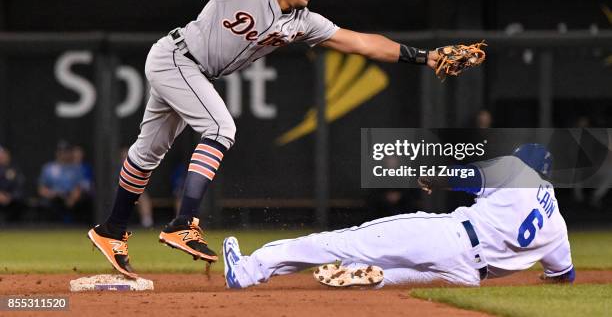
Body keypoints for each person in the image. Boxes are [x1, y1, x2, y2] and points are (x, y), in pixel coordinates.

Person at [88, 0, 444, 280]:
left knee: (148, 152)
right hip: (177, 56)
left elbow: (362, 43)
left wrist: (423, 56)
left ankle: (112, 229)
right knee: (221, 129)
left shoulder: (305, 22)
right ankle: (184, 223)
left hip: (192, 69)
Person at [223, 144, 575, 289]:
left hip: (450, 238)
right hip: (468, 277)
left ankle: (248, 269)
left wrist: (435, 177)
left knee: (342, 240)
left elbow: (470, 178)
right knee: (386, 275)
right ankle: (366, 276)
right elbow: (563, 276)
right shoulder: (557, 224)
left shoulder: (519, 170)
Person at [38, 141, 93, 223]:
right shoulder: (49, 168)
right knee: (53, 204)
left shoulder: (76, 169)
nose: (63, 154)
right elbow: (41, 189)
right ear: (57, 153)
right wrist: (51, 194)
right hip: (54, 200)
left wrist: (72, 198)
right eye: (61, 152)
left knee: (81, 204)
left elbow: (80, 187)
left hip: (71, 199)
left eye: (65, 152)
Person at [0, 145, 25, 223]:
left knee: (18, 203)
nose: (3, 157)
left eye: (4, 154)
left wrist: (10, 196)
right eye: (1, 155)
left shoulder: (15, 169)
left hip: (12, 201)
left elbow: (19, 186)